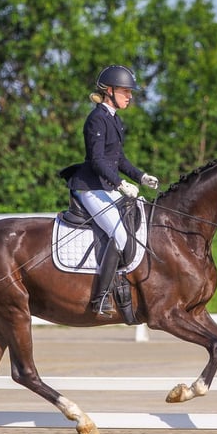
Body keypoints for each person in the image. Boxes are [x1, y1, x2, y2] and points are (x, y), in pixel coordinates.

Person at [62, 65, 159, 316]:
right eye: (125, 91)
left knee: (139, 222)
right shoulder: (96, 118)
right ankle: (101, 296)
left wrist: (141, 176)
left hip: (106, 185)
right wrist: (121, 184)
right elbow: (97, 160)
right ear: (109, 91)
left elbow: (119, 159)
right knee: (120, 235)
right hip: (91, 188)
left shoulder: (115, 119)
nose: (130, 96)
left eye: (130, 91)